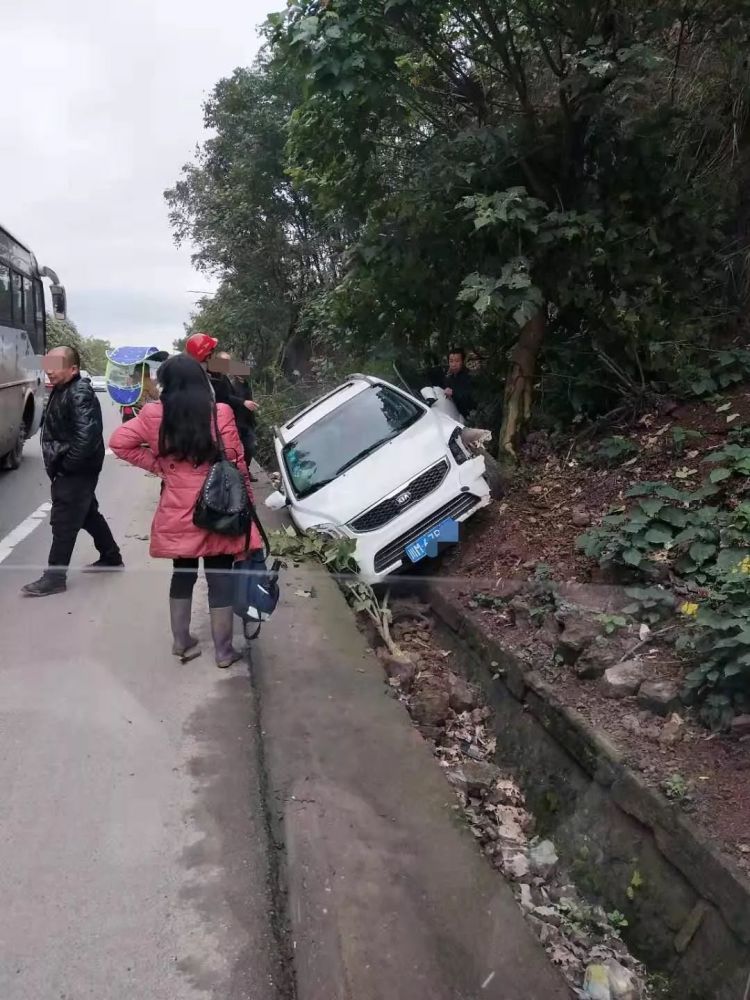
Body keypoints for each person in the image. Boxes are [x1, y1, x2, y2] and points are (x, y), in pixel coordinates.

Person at [109, 353, 263, 668]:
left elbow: (119, 442)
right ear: (200, 380)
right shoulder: (220, 412)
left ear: (166, 383)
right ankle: (223, 652)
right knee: (220, 576)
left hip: (178, 510)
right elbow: (236, 462)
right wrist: (248, 499)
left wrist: (162, 467)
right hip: (219, 506)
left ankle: (182, 642)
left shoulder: (154, 414)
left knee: (183, 573)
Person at [22, 346, 123, 598]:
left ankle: (55, 577)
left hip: (78, 468)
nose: (49, 371)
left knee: (64, 520)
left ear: (73, 369)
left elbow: (86, 438)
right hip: (75, 466)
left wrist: (67, 466)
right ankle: (111, 556)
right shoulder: (62, 389)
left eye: (55, 366)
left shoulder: (79, 393)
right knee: (87, 513)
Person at [442, 347, 476, 422]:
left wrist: (453, 393)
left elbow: (469, 397)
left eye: (457, 361)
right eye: (451, 361)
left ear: (463, 361)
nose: (454, 364)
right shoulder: (449, 379)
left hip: (472, 416)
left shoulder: (469, 377)